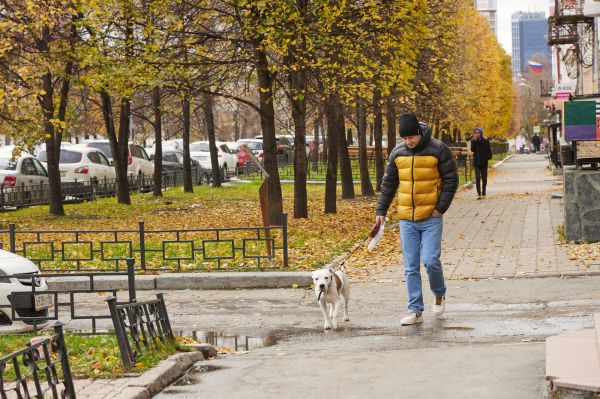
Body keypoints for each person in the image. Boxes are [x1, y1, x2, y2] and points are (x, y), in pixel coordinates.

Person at [375, 114, 458, 326]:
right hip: (406, 219)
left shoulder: (438, 149)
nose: (408, 141)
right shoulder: (397, 153)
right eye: (405, 138)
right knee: (410, 266)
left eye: (412, 137)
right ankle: (415, 310)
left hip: (431, 216)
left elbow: (451, 180)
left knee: (430, 260)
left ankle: (439, 293)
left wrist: (440, 208)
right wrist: (381, 209)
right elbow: (388, 183)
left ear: (420, 133)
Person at [471, 127, 492, 199]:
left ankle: (483, 192)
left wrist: (487, 158)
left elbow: (489, 152)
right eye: (475, 132)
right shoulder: (473, 141)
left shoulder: (486, 141)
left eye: (478, 132)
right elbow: (472, 149)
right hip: (476, 162)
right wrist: (475, 141)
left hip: (484, 162)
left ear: (481, 133)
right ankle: (479, 193)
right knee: (477, 177)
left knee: (484, 178)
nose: (477, 134)